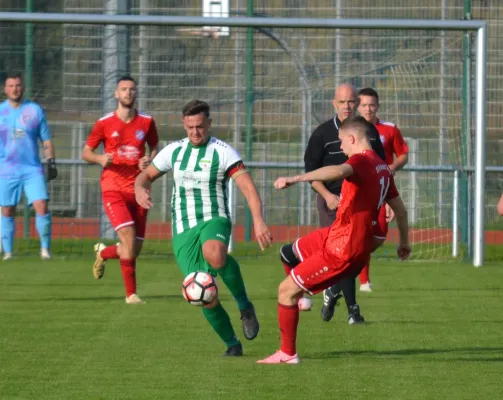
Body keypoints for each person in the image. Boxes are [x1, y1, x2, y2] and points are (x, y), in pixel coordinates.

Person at [258, 116, 411, 364]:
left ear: (352, 138)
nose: (341, 147)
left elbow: (339, 170)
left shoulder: (360, 160)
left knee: (284, 291)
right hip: (336, 234)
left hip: (344, 248)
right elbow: (401, 212)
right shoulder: (383, 167)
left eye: (342, 142)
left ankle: (287, 354)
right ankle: (305, 294)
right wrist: (404, 242)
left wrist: (295, 178)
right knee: (290, 252)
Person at [135, 100, 273, 357]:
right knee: (200, 292)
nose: (195, 132)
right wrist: (139, 188)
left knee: (215, 254)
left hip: (215, 218)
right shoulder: (173, 152)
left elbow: (249, 189)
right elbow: (145, 176)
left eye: (199, 126)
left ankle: (245, 307)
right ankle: (232, 343)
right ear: (183, 125)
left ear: (209, 123)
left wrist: (258, 220)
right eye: (190, 127)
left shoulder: (223, 152)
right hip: (183, 229)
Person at [303, 83, 386, 324]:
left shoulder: (367, 131)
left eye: (351, 102)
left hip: (360, 205)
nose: (347, 106)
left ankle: (332, 292)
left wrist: (384, 201)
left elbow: (379, 165)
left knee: (355, 254)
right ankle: (353, 312)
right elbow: (312, 171)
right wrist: (328, 196)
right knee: (343, 255)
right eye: (343, 102)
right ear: (334, 103)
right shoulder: (322, 134)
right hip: (332, 202)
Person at [82, 75, 159, 304]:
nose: (128, 93)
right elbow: (86, 152)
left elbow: (155, 146)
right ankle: (131, 295)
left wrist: (149, 159)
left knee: (134, 248)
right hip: (113, 187)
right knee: (127, 238)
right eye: (124, 89)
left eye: (132, 89)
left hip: (138, 188)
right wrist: (99, 158)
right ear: (116, 94)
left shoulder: (146, 122)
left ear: (136, 93)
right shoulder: (104, 123)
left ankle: (103, 253)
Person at [356, 87, 409, 292]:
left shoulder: (389, 129)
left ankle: (353, 267)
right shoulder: (351, 130)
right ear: (358, 107)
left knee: (379, 233)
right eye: (364, 105)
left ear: (377, 106)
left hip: (383, 189)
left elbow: (403, 154)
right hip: (359, 189)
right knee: (361, 232)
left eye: (372, 105)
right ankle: (363, 281)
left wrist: (393, 167)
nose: (368, 109)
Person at [0, 73, 57, 261]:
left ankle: (45, 250)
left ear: (23, 88)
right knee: (7, 209)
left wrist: (51, 160)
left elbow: (45, 138)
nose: (15, 89)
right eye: (11, 85)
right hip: (7, 169)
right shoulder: (1, 111)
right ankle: (8, 252)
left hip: (32, 169)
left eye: (18, 85)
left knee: (41, 205)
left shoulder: (35, 110)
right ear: (5, 89)